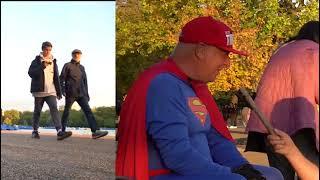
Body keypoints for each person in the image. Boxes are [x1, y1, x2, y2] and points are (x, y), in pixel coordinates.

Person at [116, 16, 283, 180]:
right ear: (201, 51)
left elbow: (214, 140)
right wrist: (230, 175)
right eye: (224, 54)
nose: (228, 64)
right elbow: (178, 157)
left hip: (197, 171)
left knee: (273, 175)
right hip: (166, 174)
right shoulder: (164, 85)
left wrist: (242, 167)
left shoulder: (192, 86)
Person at [245, 21, 319, 180]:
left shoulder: (282, 50)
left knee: (280, 173)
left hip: (268, 122)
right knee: (310, 170)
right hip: (299, 122)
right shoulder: (314, 51)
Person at [28, 41, 72, 140]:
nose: (48, 52)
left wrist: (59, 91)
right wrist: (42, 66)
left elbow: (56, 77)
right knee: (37, 111)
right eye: (46, 50)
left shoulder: (54, 61)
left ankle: (59, 131)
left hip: (51, 91)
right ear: (42, 49)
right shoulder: (36, 61)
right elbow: (31, 73)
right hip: (39, 91)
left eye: (49, 50)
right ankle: (35, 131)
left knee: (54, 108)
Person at [60, 49, 108, 139]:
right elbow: (61, 78)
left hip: (82, 94)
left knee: (88, 111)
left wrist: (87, 94)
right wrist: (62, 91)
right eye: (75, 54)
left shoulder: (82, 67)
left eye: (78, 54)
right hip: (70, 93)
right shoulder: (67, 65)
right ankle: (62, 131)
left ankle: (95, 132)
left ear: (81, 55)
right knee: (67, 112)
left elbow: (85, 81)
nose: (76, 55)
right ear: (72, 55)